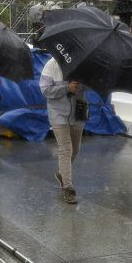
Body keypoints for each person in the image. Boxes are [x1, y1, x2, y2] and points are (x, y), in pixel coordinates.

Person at [39, 57, 86, 204]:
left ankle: (61, 173)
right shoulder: (52, 65)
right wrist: (66, 88)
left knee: (76, 149)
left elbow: (90, 88)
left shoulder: (83, 64)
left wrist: (82, 86)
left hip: (78, 114)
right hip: (58, 114)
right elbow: (45, 89)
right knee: (66, 149)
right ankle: (68, 188)